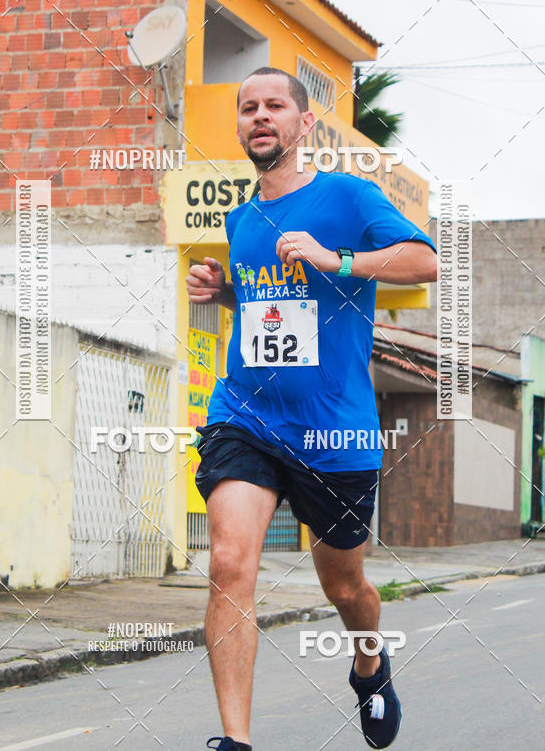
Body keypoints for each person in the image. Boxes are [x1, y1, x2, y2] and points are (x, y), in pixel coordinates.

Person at [186, 67, 438, 751]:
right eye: (248, 108)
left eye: (274, 105)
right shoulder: (242, 218)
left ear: (304, 123)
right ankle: (235, 741)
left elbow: (425, 262)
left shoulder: (348, 196)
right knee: (230, 562)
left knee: (345, 586)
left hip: (333, 431)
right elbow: (273, 305)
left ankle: (369, 663)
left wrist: (336, 258)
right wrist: (225, 291)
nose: (259, 116)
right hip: (247, 416)